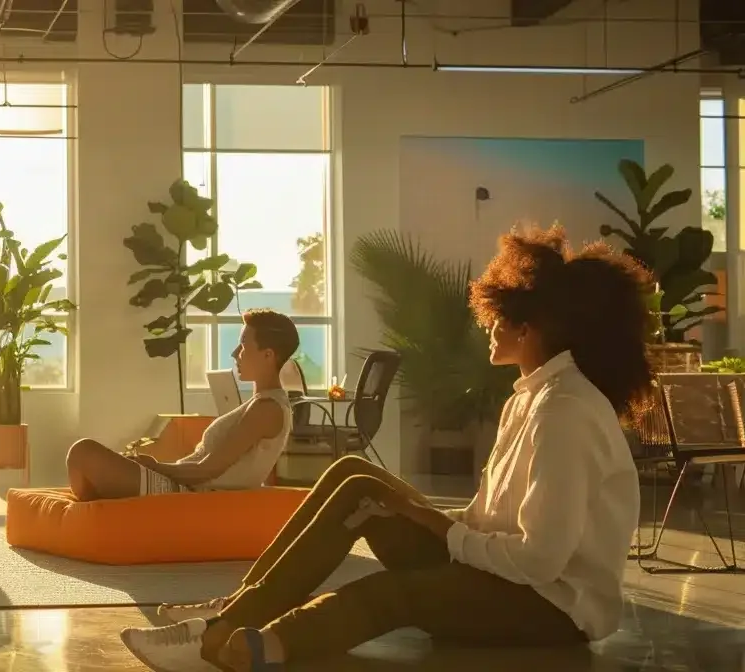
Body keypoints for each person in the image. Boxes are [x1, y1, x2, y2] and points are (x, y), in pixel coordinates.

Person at [121, 225, 651, 671]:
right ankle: (234, 613)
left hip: (551, 608)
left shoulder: (564, 411)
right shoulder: (530, 397)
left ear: (530, 325)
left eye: (498, 314)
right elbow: (493, 522)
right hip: (505, 575)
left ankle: (235, 645)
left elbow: (538, 560)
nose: (487, 324)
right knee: (355, 477)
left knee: (393, 593)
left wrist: (437, 524)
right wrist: (423, 514)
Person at [64, 309, 299, 500]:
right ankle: (97, 515)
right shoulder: (261, 403)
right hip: (180, 483)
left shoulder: (267, 409)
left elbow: (206, 471)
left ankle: (95, 515)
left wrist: (155, 466)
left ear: (268, 355)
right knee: (85, 457)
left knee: (83, 452)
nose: (235, 353)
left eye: (244, 346)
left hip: (186, 491)